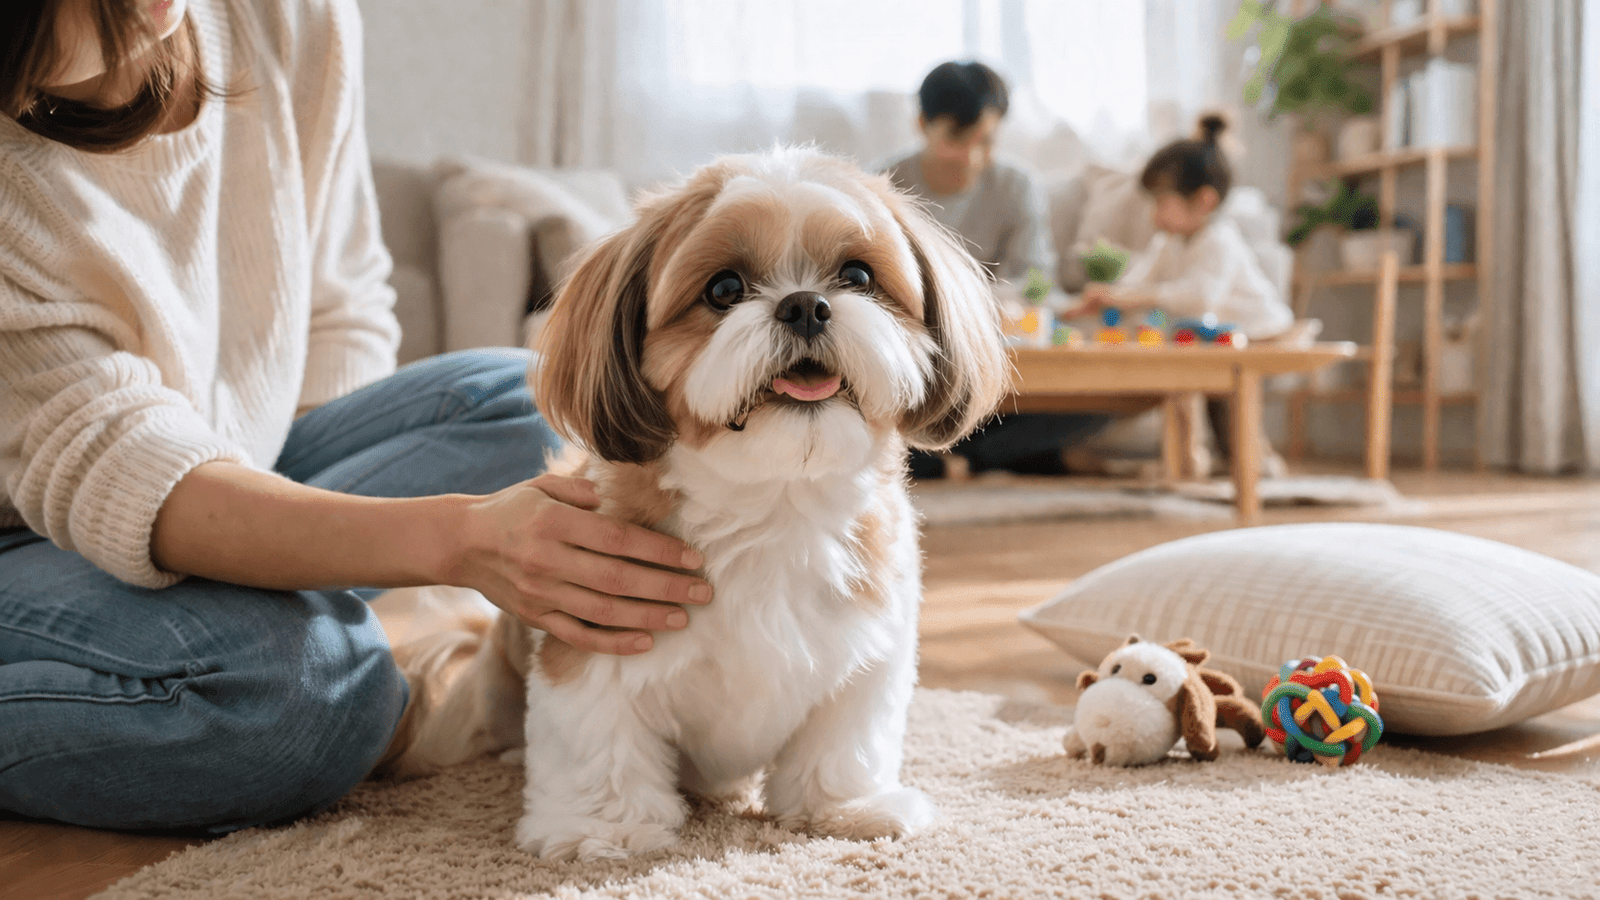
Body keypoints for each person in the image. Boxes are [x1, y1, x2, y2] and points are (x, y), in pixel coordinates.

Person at [0, 0, 710, 834]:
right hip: (35, 533)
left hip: (236, 461)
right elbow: (124, 472)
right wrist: (460, 539)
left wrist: (312, 548)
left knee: (527, 407)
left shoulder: (288, 16)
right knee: (308, 696)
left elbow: (340, 305)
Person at [881, 61, 1104, 478]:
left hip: (999, 344)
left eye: (986, 140)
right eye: (956, 138)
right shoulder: (886, 183)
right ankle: (1008, 454)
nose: (972, 156)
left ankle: (952, 457)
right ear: (922, 124)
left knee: (1104, 394)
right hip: (919, 348)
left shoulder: (1017, 185)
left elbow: (1035, 280)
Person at [1070, 114, 1295, 471]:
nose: (1155, 216)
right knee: (1192, 374)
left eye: (1162, 203)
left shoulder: (1220, 240)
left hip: (1260, 335)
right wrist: (1110, 295)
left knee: (1224, 392)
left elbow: (1200, 297)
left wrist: (1136, 298)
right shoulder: (1169, 242)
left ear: (1203, 201)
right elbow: (1140, 282)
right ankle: (1213, 459)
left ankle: (1253, 459)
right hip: (1218, 337)